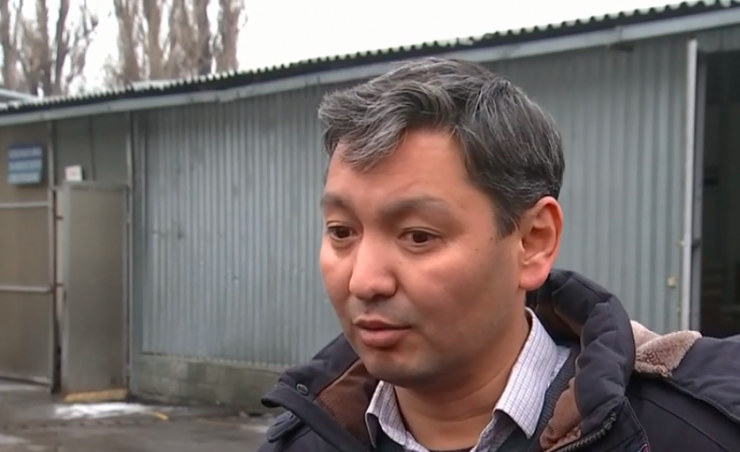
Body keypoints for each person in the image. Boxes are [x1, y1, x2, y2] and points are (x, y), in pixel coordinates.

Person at [257, 57, 740, 452]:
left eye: (418, 236)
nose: (363, 281)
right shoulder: (301, 443)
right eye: (342, 231)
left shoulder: (693, 434)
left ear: (533, 241)